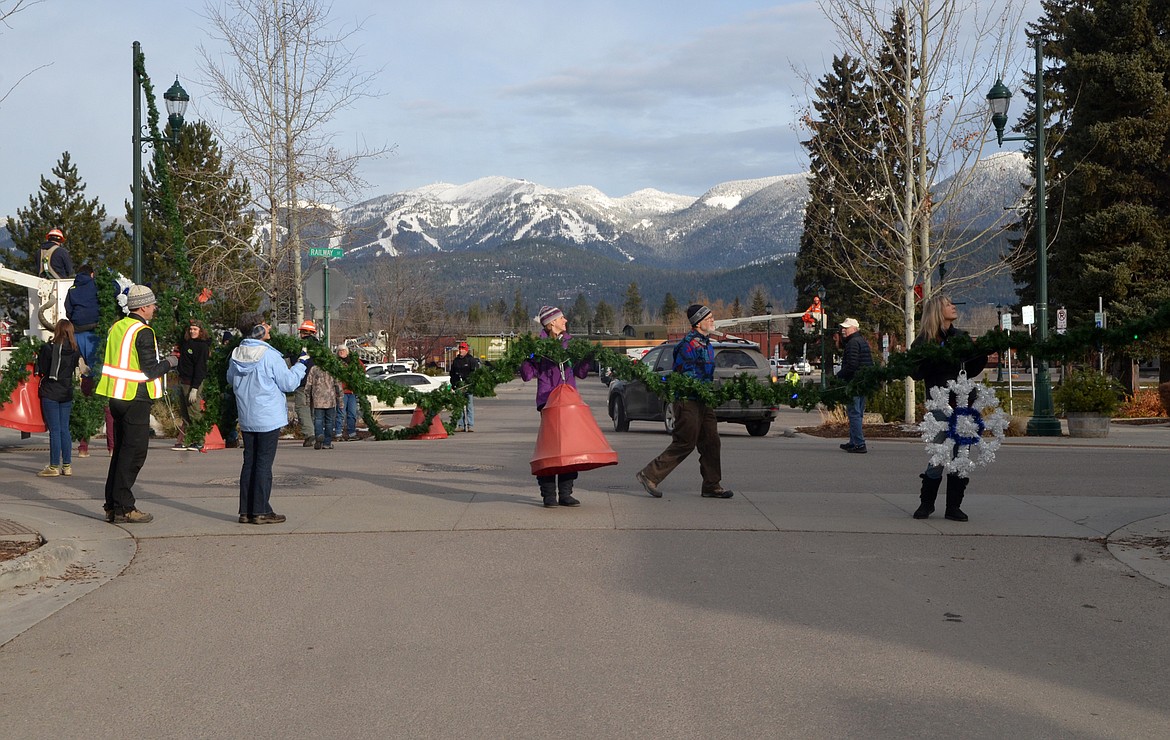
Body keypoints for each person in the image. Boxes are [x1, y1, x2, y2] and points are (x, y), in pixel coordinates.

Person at [95, 284, 178, 524]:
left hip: (117, 397)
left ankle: (112, 504)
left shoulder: (117, 327)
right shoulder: (143, 331)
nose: (154, 309)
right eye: (152, 305)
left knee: (121, 452)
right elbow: (150, 370)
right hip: (135, 397)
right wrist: (171, 362)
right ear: (143, 307)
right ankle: (124, 507)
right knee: (134, 454)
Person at [635, 303, 734, 500]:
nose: (713, 321)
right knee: (685, 442)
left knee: (711, 442)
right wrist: (698, 388)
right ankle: (649, 474)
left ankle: (711, 485)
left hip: (703, 400)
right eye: (709, 319)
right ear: (698, 323)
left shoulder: (706, 344)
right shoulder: (687, 345)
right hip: (687, 400)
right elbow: (684, 375)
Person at [909, 295, 989, 522]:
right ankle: (926, 503)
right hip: (940, 403)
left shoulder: (961, 337)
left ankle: (953, 506)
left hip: (963, 402)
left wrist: (982, 352)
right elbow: (916, 372)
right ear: (936, 311)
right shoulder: (924, 341)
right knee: (939, 450)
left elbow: (972, 368)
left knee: (960, 453)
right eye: (948, 304)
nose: (953, 307)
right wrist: (934, 359)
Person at [227, 315, 310, 524]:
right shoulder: (269, 355)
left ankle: (246, 511)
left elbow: (230, 379)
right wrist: (301, 364)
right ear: (258, 330)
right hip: (268, 416)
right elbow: (289, 383)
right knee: (264, 463)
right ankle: (261, 509)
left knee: (249, 462)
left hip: (247, 414)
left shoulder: (236, 354)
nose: (269, 327)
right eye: (265, 325)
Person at [520, 306, 590, 508]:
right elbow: (527, 375)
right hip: (548, 402)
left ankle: (566, 493)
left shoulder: (570, 343)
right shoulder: (538, 346)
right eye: (561, 318)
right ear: (551, 323)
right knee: (550, 448)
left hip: (569, 403)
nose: (565, 321)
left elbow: (581, 373)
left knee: (570, 448)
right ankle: (549, 494)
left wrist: (588, 358)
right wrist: (525, 358)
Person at [35, 319, 81, 477]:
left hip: (50, 392)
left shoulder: (48, 348)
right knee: (64, 430)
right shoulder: (75, 349)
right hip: (66, 392)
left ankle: (54, 466)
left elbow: (42, 369)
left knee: (54, 431)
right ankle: (67, 466)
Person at [837, 317, 874, 454]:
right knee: (858, 413)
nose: (843, 330)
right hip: (863, 382)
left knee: (854, 413)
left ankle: (859, 443)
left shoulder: (853, 343)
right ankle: (854, 442)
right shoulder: (862, 341)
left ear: (854, 329)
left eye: (846, 328)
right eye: (843, 328)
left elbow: (851, 365)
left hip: (854, 383)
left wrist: (839, 376)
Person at [173, 322, 212, 451]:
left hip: (192, 383)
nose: (192, 331)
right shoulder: (186, 343)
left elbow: (201, 368)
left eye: (195, 329)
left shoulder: (202, 347)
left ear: (201, 331)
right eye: (190, 329)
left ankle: (199, 440)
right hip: (183, 381)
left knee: (194, 412)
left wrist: (194, 388)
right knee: (185, 413)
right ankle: (189, 439)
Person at [64, 265, 99, 372]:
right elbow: (114, 290)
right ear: (91, 274)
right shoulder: (96, 285)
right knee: (97, 365)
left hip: (77, 331)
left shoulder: (72, 289)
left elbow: (68, 308)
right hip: (94, 329)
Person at [306, 359, 342, 450]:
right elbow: (338, 386)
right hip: (330, 399)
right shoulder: (333, 370)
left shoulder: (314, 369)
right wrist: (340, 401)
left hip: (318, 399)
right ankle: (327, 443)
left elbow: (308, 385)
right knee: (329, 422)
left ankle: (319, 435)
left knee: (318, 420)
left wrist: (308, 399)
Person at [293, 320, 318, 446]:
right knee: (315, 408)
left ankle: (310, 434)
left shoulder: (297, 346)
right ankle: (318, 433)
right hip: (317, 383)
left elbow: (292, 361)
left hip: (302, 382)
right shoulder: (320, 347)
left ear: (302, 333)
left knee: (302, 407)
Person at [333, 345, 363, 441]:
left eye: (343, 350)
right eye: (340, 350)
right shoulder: (336, 363)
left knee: (352, 413)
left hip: (352, 391)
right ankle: (338, 433)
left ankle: (352, 433)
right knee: (341, 413)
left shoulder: (353, 362)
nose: (342, 352)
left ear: (347, 352)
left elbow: (362, 368)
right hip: (341, 391)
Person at [449, 341, 480, 432]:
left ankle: (470, 425)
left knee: (469, 406)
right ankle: (461, 425)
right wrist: (453, 385)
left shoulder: (471, 360)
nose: (461, 350)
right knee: (459, 406)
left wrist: (471, 383)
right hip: (458, 387)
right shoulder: (456, 361)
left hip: (468, 386)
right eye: (460, 349)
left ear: (466, 350)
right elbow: (452, 374)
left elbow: (475, 373)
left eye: (463, 349)